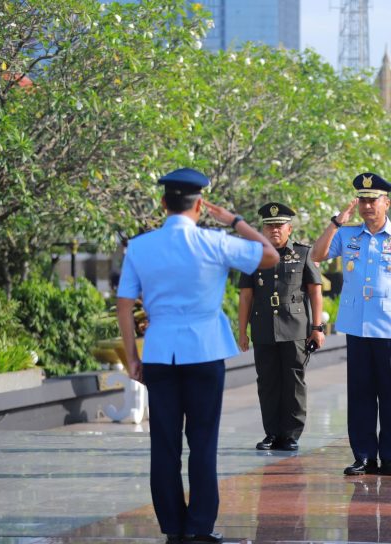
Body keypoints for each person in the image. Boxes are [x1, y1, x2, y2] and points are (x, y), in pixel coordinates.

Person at [116, 168, 279, 544]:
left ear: (163, 203)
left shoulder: (139, 247)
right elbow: (270, 254)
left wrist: (131, 357)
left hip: (160, 353)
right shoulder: (215, 241)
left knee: (164, 446)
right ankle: (200, 526)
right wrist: (235, 221)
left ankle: (173, 527)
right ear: (200, 205)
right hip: (204, 353)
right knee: (203, 443)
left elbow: (124, 305)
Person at [311, 172, 391, 476]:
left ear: (387, 203)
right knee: (360, 394)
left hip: (389, 327)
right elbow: (317, 255)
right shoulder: (347, 234)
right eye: (362, 200)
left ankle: (390, 457)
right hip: (356, 326)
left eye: (373, 200)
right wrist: (336, 223)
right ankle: (363, 456)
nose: (367, 206)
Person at [238, 202, 325, 452]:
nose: (274, 230)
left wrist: (317, 327)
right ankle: (272, 433)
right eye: (270, 226)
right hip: (264, 326)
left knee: (293, 381)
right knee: (267, 382)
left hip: (295, 327)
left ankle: (290, 434)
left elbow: (315, 291)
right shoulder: (254, 256)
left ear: (289, 229)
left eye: (279, 225)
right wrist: (242, 331)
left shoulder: (303, 253)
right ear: (263, 229)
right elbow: (246, 296)